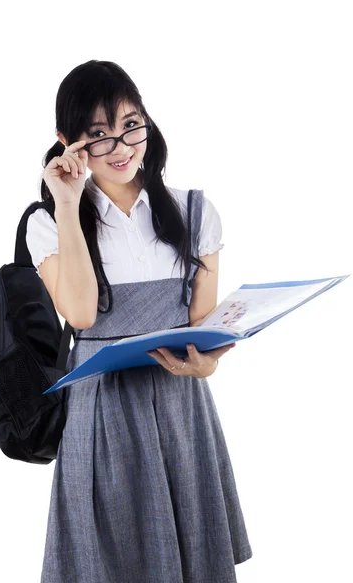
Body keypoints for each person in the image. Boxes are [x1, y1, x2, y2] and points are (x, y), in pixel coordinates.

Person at [25, 59, 253, 583]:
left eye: (131, 125)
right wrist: (66, 202)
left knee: (191, 559)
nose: (122, 146)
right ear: (68, 143)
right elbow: (81, 313)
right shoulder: (49, 223)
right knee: (110, 559)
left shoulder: (194, 212)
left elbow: (202, 326)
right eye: (98, 135)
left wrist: (207, 366)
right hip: (102, 410)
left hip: (180, 405)